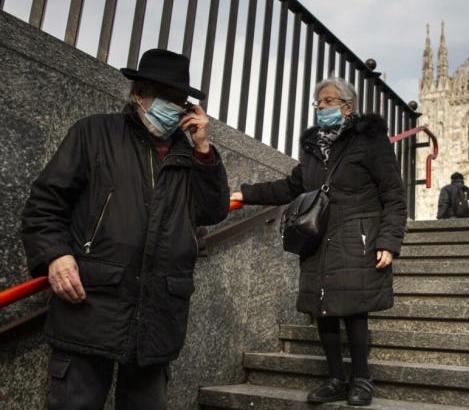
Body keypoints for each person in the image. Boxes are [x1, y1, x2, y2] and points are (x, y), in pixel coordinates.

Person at [20, 49, 230, 410]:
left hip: (158, 315)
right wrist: (54, 255)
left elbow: (213, 210)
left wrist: (203, 149)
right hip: (91, 305)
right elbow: (44, 204)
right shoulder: (94, 132)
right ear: (138, 94)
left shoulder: (190, 153)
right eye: (163, 98)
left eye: (180, 100)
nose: (174, 107)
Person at [231, 77, 406, 406]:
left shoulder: (369, 141)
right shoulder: (314, 152)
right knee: (322, 309)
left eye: (327, 101)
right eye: (318, 103)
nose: (321, 108)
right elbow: (289, 186)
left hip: (357, 236)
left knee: (354, 309)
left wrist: (389, 239)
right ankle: (336, 379)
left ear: (347, 107)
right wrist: (246, 192)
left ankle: (362, 379)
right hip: (318, 238)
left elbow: (394, 194)